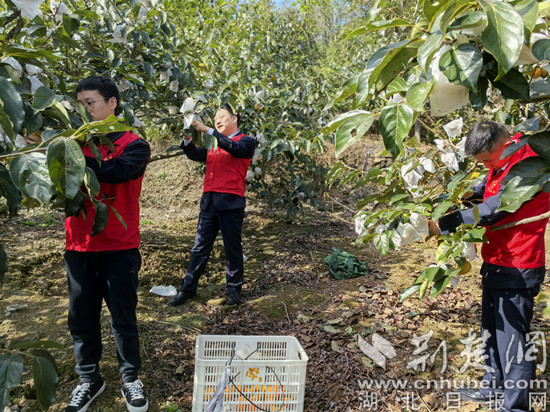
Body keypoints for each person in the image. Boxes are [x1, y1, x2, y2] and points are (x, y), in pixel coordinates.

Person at [429, 120, 549, 412]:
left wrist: (446, 223)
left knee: (513, 340)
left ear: (505, 143)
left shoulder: (530, 164)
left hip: (519, 264)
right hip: (496, 259)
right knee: (492, 330)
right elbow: (482, 189)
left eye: (486, 160)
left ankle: (515, 406)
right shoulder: (501, 161)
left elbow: (495, 206)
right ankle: (494, 387)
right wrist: (450, 201)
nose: (485, 167)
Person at [64, 76, 150, 412]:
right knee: (81, 318)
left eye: (91, 102)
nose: (85, 110)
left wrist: (73, 157)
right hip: (79, 246)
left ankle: (130, 379)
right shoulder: (76, 143)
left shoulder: (134, 144)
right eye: (81, 104)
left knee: (122, 316)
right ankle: (89, 379)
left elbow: (115, 171)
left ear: (112, 102)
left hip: (118, 246)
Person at [169, 103, 256, 307]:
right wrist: (188, 137)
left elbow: (234, 148)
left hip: (231, 203)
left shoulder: (246, 142)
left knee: (232, 248)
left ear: (235, 119)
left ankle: (234, 290)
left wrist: (209, 130)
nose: (217, 119)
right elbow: (195, 154)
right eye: (215, 117)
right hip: (209, 202)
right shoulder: (213, 144)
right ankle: (187, 289)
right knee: (199, 248)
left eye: (222, 116)